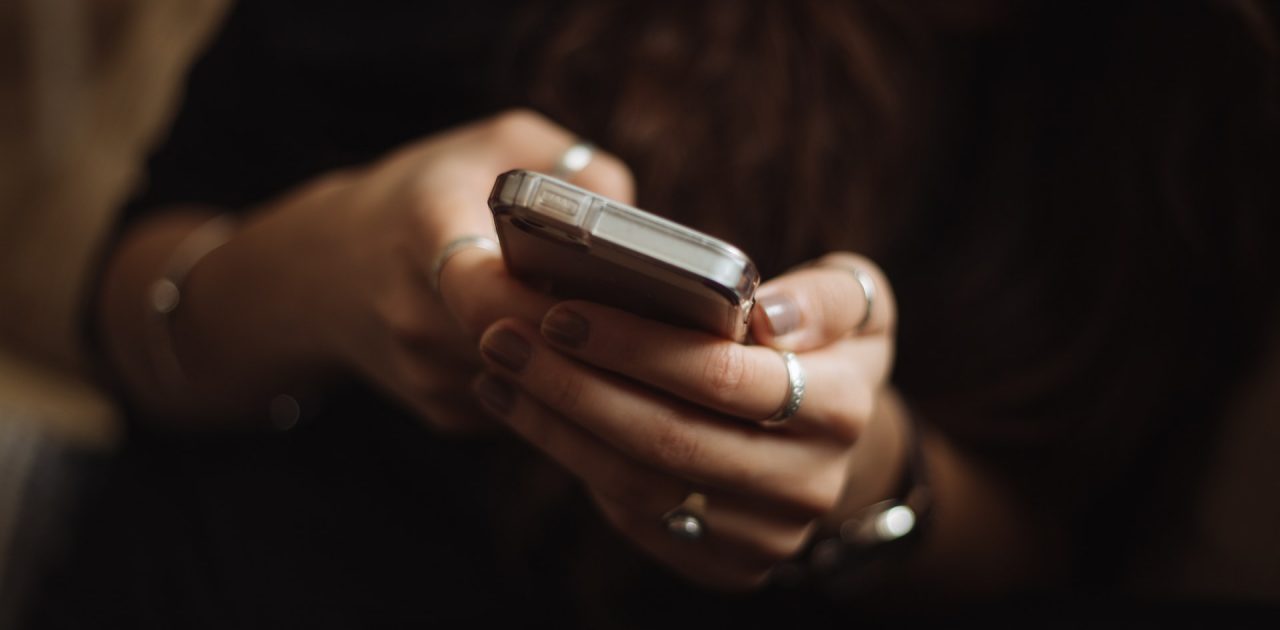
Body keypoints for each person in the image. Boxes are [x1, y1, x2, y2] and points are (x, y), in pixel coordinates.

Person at [27, 1, 1280, 627]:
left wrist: (867, 484)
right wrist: (336, 262)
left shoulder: (1199, 101)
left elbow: (1091, 566)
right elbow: (128, 319)